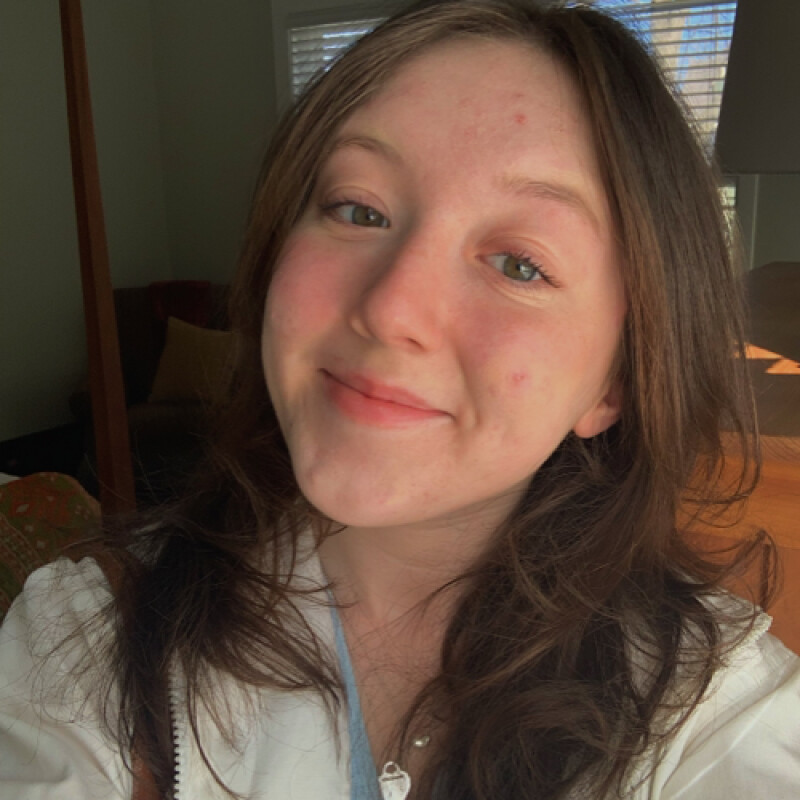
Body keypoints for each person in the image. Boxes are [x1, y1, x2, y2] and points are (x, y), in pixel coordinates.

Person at [1, 1, 798, 798]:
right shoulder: (82, 643)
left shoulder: (715, 712)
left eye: (519, 264)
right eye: (359, 209)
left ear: (614, 382)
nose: (390, 309)